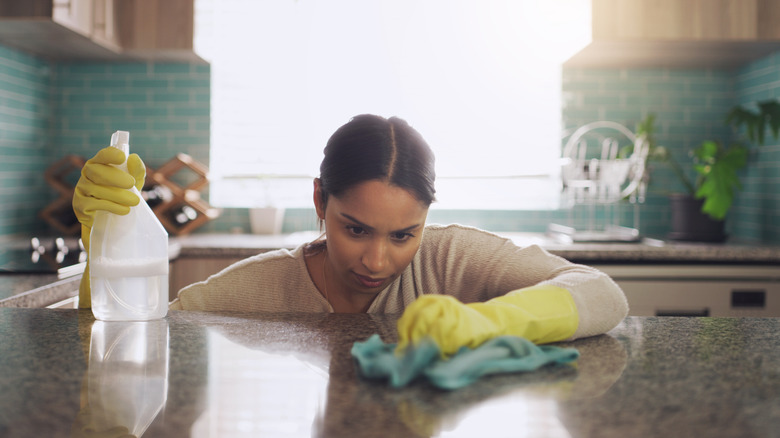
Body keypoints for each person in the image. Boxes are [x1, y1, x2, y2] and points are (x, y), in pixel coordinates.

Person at [74, 114, 628, 351]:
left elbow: (602, 294)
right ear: (319, 200)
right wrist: (104, 239)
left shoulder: (453, 259)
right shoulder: (260, 288)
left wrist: (488, 318)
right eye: (356, 229)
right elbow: (126, 338)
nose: (377, 261)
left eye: (404, 235)